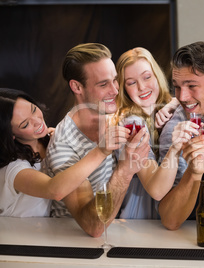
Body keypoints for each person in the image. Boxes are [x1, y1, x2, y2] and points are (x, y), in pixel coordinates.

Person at [44, 43, 150, 237]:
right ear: (77, 86)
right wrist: (125, 170)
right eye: (103, 84)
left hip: (117, 233)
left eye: (115, 80)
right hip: (73, 244)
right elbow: (94, 226)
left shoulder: (115, 116)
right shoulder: (63, 145)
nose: (115, 90)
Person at [0, 88, 120, 217]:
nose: (37, 121)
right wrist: (101, 151)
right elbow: (54, 190)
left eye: (34, 110)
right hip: (19, 234)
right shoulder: (14, 168)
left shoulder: (51, 140)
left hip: (50, 230)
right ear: (10, 134)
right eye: (25, 124)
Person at [158, 41, 204, 230]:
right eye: (177, 87)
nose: (182, 97)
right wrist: (195, 172)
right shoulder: (175, 130)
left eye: (192, 86)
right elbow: (169, 218)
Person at [112, 47, 182, 219]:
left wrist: (173, 103)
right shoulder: (131, 122)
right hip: (139, 223)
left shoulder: (169, 108)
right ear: (123, 88)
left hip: (171, 220)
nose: (142, 87)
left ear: (156, 75)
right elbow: (156, 190)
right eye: (131, 82)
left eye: (147, 77)